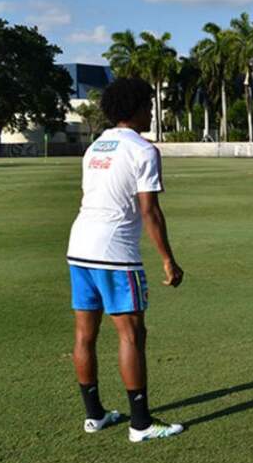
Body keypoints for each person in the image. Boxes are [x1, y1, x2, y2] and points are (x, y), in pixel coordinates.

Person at [67, 77, 185, 443]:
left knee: (85, 334)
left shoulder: (95, 147)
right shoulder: (143, 150)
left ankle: (94, 416)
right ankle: (141, 424)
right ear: (135, 109)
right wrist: (168, 259)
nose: (151, 112)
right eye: (148, 106)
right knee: (132, 334)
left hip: (79, 246)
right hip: (115, 253)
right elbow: (150, 211)